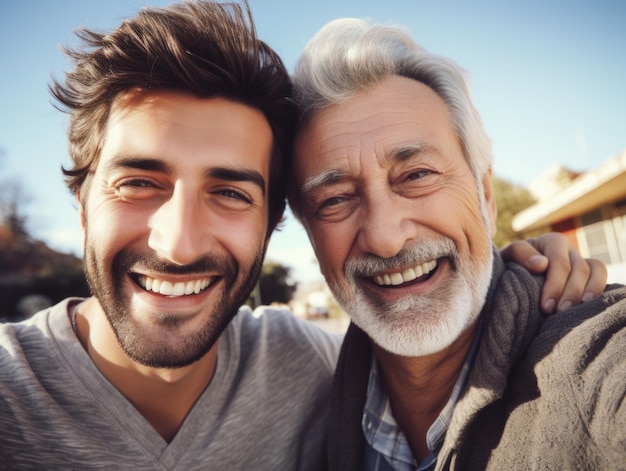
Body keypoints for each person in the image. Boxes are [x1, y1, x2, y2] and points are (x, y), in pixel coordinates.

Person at [0, 1, 609, 469]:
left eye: (231, 192)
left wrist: (509, 275)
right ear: (81, 205)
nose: (179, 244)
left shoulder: (300, 361)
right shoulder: (12, 394)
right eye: (138, 183)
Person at [288, 18, 626, 470]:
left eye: (417, 175)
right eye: (335, 200)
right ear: (310, 235)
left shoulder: (597, 360)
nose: (387, 239)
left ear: (485, 196)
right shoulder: (315, 401)